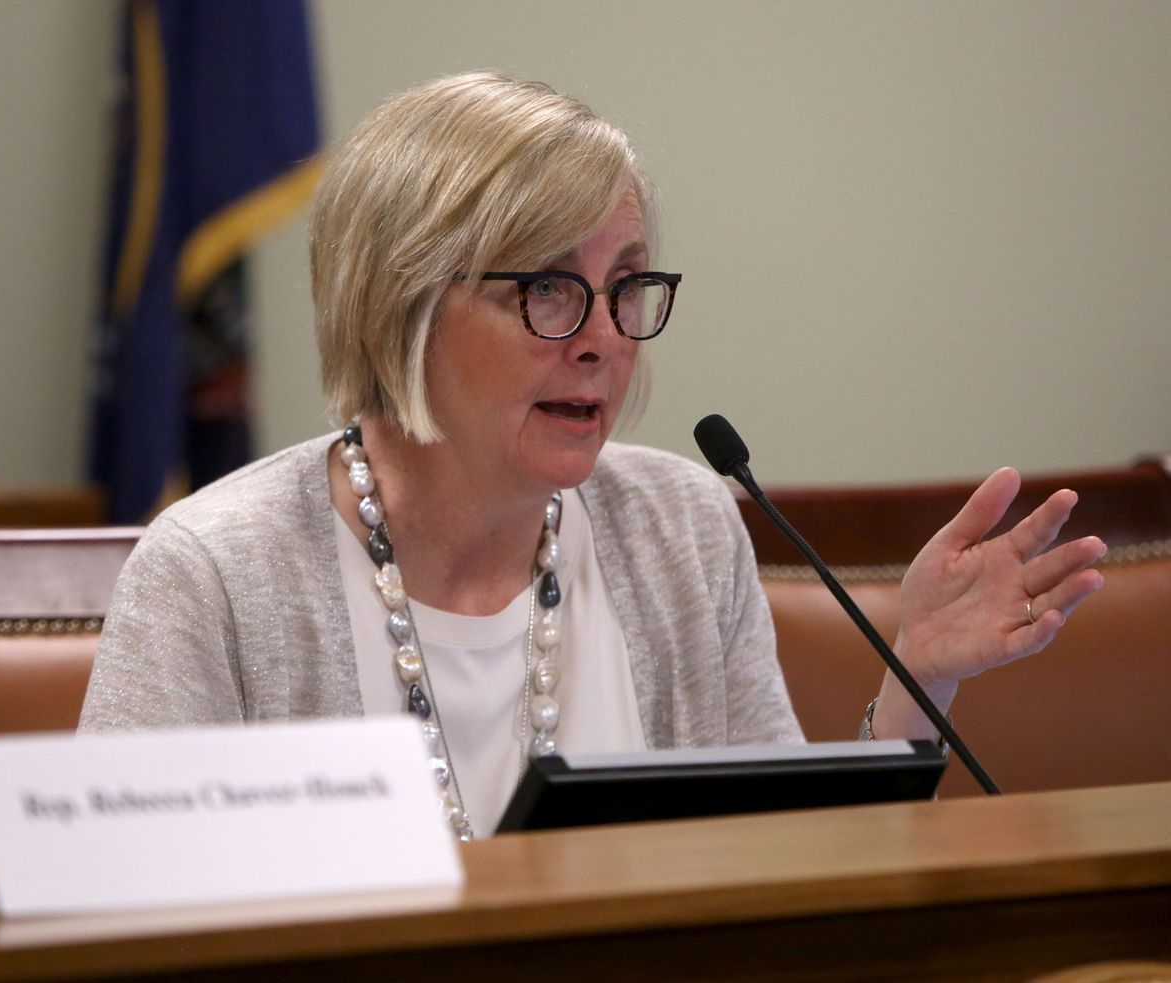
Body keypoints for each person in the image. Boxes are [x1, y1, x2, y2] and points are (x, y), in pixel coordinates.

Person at [80, 72, 1106, 839]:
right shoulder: (213, 571)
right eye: (547, 288)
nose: (603, 335)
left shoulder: (679, 525)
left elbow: (784, 867)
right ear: (401, 302)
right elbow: (118, 906)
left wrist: (912, 679)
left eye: (624, 284)